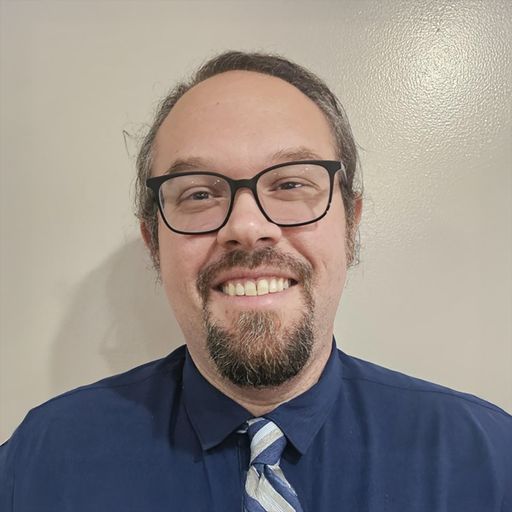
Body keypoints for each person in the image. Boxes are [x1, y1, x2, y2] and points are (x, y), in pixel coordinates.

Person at [1, 51, 510, 512]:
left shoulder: (488, 461)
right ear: (153, 242)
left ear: (351, 224)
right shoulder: (41, 464)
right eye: (199, 194)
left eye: (290, 183)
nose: (246, 227)